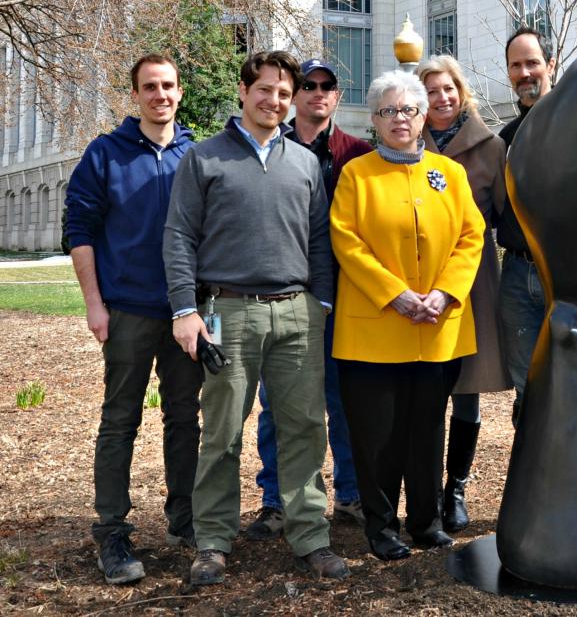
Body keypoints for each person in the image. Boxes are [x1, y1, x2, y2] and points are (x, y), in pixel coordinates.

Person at [164, 50, 348, 585]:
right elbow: (178, 238)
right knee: (222, 432)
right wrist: (185, 310)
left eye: (284, 94)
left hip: (297, 313)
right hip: (226, 312)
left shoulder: (306, 163)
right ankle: (214, 539)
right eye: (265, 90)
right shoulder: (203, 159)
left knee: (305, 427)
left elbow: (319, 241)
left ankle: (309, 534)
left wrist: (322, 303)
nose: (274, 101)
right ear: (244, 92)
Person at [329, 71, 484, 561]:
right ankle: (381, 528)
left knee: (426, 430)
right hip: (374, 332)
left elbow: (471, 236)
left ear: (423, 117)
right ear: (375, 120)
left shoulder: (450, 174)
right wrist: (394, 293)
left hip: (436, 329)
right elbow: (346, 241)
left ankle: (426, 521)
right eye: (389, 111)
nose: (400, 118)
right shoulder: (358, 174)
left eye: (409, 110)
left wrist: (444, 293)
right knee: (377, 437)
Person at [65, 54, 202, 585]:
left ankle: (184, 519)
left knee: (184, 418)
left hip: (185, 312)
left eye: (168, 85)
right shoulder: (105, 153)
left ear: (180, 92)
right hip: (125, 309)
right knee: (120, 418)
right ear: (136, 94)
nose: (160, 95)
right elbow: (79, 230)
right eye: (150, 86)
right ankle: (113, 531)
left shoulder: (197, 153)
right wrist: (94, 304)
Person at [247, 57, 371, 540]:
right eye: (309, 85)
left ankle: (351, 495)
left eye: (328, 86)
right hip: (287, 296)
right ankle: (276, 501)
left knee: (345, 402)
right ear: (295, 94)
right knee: (278, 406)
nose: (318, 92)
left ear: (337, 97)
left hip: (346, 300)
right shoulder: (270, 150)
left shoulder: (358, 153)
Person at [416, 55, 510, 532]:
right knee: (426, 391)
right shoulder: (407, 140)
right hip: (417, 282)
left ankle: (456, 488)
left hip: (472, 281)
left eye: (448, 89)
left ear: (462, 91)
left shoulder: (491, 147)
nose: (442, 98)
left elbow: (504, 216)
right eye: (432, 91)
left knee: (467, 390)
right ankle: (426, 491)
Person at [496, 27, 556, 423]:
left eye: (532, 62)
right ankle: (533, 481)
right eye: (516, 65)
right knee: (528, 391)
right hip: (516, 276)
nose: (524, 73)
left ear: (550, 65)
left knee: (569, 383)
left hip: (565, 274)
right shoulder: (506, 138)